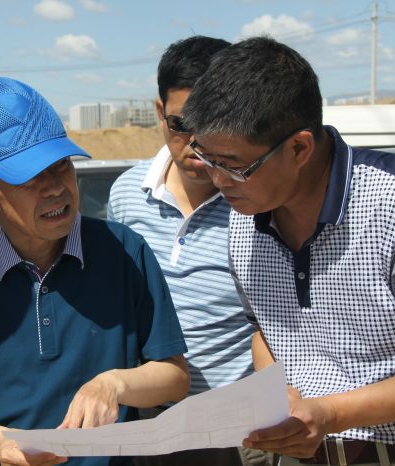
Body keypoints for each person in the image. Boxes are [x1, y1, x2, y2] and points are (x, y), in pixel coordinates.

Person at [0, 75, 190, 466]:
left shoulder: (124, 251)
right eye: (30, 178)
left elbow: (174, 376)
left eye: (61, 166)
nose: (55, 188)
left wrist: (114, 384)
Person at [181, 36, 395, 466]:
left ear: (300, 148)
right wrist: (278, 397)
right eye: (207, 159)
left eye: (234, 166)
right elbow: (264, 329)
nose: (218, 181)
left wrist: (330, 413)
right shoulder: (244, 217)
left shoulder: (390, 207)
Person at [108, 36, 270, 466]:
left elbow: (276, 323)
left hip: (240, 432)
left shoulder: (259, 204)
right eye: (181, 124)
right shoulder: (126, 195)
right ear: (159, 112)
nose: (196, 142)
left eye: (210, 123)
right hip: (152, 424)